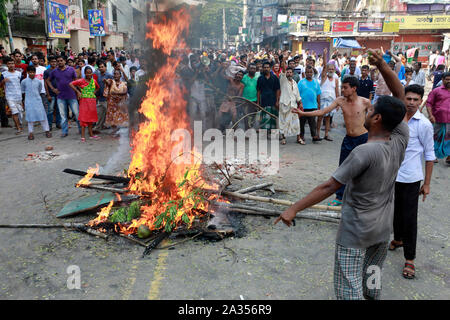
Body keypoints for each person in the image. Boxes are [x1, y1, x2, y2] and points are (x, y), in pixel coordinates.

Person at [276, 48, 409, 300]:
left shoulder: (363, 153)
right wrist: (382, 65)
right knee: (372, 281)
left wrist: (293, 208)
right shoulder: (401, 139)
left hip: (356, 233)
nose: (365, 113)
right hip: (381, 231)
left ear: (378, 118)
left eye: (370, 112)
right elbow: (400, 98)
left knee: (349, 289)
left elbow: (328, 187)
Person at [295, 75, 371, 206]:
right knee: (343, 169)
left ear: (354, 88)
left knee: (364, 170)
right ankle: (340, 197)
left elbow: (375, 120)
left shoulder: (365, 102)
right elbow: (322, 112)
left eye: (345, 88)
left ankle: (361, 197)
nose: (342, 90)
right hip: (348, 140)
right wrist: (303, 114)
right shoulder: (340, 101)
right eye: (342, 87)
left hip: (363, 139)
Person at [389, 84, 435, 280]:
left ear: (420, 101)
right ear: (403, 98)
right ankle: (398, 239)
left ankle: (410, 259)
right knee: (394, 210)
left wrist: (426, 184)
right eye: (409, 98)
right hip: (391, 175)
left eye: (416, 100)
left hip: (411, 178)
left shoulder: (424, 124)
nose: (411, 103)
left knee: (409, 218)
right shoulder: (395, 120)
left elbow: (430, 155)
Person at [47, 56, 79, 137]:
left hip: (72, 95)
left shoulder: (71, 69)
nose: (60, 62)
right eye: (58, 61)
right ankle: (64, 131)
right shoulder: (54, 71)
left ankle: (80, 129)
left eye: (61, 60)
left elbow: (76, 80)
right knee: (63, 115)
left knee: (77, 114)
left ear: (65, 61)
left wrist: (77, 92)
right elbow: (47, 80)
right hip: (61, 96)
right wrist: (53, 89)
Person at [69, 66, 100, 142]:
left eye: (90, 72)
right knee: (84, 118)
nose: (89, 74)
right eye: (87, 73)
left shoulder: (94, 81)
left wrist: (93, 93)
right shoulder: (81, 81)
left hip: (92, 102)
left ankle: (91, 135)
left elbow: (98, 88)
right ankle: (83, 136)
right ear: (85, 73)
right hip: (84, 102)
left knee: (90, 119)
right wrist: (78, 91)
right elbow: (71, 84)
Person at [20, 66, 52, 140]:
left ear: (35, 72)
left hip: (38, 101)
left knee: (43, 116)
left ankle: (47, 131)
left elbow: (39, 89)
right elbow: (23, 92)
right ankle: (30, 133)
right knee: (30, 118)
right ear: (27, 72)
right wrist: (24, 102)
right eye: (30, 72)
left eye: (33, 72)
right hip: (28, 101)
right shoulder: (24, 81)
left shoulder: (38, 81)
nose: (32, 73)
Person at [425, 72, 450, 164]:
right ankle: (433, 155)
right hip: (437, 119)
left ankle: (449, 156)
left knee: (449, 138)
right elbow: (429, 103)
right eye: (447, 79)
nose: (449, 81)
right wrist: (430, 115)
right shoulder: (436, 91)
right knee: (434, 138)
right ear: (442, 80)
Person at [278, 66, 302, 145]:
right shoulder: (283, 80)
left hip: (293, 105)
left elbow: (297, 94)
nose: (289, 74)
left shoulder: (295, 83)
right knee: (283, 122)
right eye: (287, 72)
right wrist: (284, 60)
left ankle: (298, 138)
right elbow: (283, 71)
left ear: (293, 73)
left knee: (296, 122)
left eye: (290, 72)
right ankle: (283, 138)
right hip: (284, 105)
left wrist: (300, 102)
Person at [297, 65, 321, 143]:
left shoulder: (316, 82)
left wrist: (319, 104)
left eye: (311, 72)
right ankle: (301, 136)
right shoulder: (301, 82)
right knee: (302, 122)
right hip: (303, 106)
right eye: (307, 72)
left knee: (312, 122)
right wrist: (298, 104)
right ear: (305, 73)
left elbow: (318, 94)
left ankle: (314, 136)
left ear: (313, 73)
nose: (309, 73)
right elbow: (297, 94)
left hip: (313, 105)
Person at [257, 61, 280, 136]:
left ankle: (274, 135)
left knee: (273, 118)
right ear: (263, 68)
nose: (266, 69)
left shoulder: (275, 78)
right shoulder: (260, 78)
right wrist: (258, 102)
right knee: (264, 118)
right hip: (264, 101)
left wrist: (277, 101)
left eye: (267, 67)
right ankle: (264, 134)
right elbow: (259, 91)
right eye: (265, 67)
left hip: (273, 101)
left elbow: (278, 90)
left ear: (270, 68)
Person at [1, 57, 23, 133]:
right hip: (9, 96)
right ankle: (18, 127)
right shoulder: (3, 74)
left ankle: (20, 124)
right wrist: (3, 81)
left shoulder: (19, 73)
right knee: (14, 112)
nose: (11, 65)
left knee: (20, 112)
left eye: (12, 63)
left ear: (14, 64)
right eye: (9, 64)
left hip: (18, 96)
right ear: (7, 65)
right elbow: (0, 85)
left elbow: (21, 84)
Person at [318, 63, 339, 142]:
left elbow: (337, 91)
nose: (331, 70)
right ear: (327, 70)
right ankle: (317, 134)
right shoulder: (324, 77)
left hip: (331, 101)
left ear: (334, 70)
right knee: (320, 117)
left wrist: (338, 104)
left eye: (332, 69)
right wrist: (324, 55)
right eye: (329, 69)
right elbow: (323, 68)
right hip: (323, 100)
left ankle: (326, 134)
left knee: (328, 118)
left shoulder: (336, 79)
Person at [104, 69, 129, 135]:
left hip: (120, 104)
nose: (116, 75)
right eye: (114, 74)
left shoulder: (124, 83)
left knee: (119, 117)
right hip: (112, 104)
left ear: (120, 75)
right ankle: (114, 131)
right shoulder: (111, 82)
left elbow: (125, 92)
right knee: (112, 117)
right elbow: (108, 83)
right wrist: (106, 82)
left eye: (117, 74)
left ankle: (118, 131)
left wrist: (115, 93)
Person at [93, 61, 113, 132]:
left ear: (105, 67)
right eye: (99, 67)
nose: (101, 68)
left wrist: (107, 82)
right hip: (100, 98)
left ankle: (113, 129)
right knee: (100, 113)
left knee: (109, 114)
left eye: (102, 67)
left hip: (107, 98)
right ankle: (98, 128)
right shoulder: (98, 75)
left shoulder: (109, 75)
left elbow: (112, 85)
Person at [43, 56, 61, 131]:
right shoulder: (47, 71)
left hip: (59, 93)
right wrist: (48, 94)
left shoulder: (59, 70)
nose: (53, 63)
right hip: (51, 93)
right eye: (52, 62)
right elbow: (45, 83)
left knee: (58, 109)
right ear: (49, 63)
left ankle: (58, 123)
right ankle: (49, 125)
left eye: (55, 61)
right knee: (50, 110)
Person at [240, 63, 260, 130]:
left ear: (256, 70)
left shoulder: (258, 77)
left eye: (254, 69)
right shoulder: (244, 77)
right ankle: (247, 129)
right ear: (248, 69)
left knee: (253, 115)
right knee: (246, 116)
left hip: (254, 99)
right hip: (245, 100)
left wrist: (258, 101)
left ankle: (250, 127)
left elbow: (258, 90)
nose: (252, 70)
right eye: (251, 68)